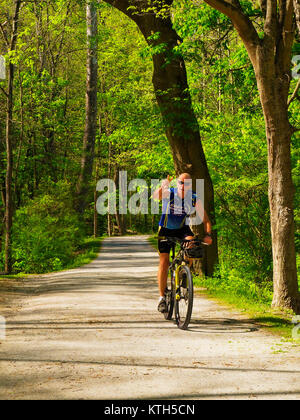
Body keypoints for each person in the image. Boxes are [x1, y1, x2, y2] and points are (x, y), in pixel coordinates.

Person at [152, 173, 213, 313]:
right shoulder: (170, 193)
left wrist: (208, 235)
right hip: (165, 230)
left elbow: (206, 221)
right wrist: (163, 185)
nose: (183, 186)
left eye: (186, 184)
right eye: (180, 183)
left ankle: (184, 276)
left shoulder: (193, 199)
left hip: (181, 229)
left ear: (190, 185)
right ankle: (161, 297)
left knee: (192, 247)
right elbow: (156, 196)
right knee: (164, 261)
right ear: (177, 184)